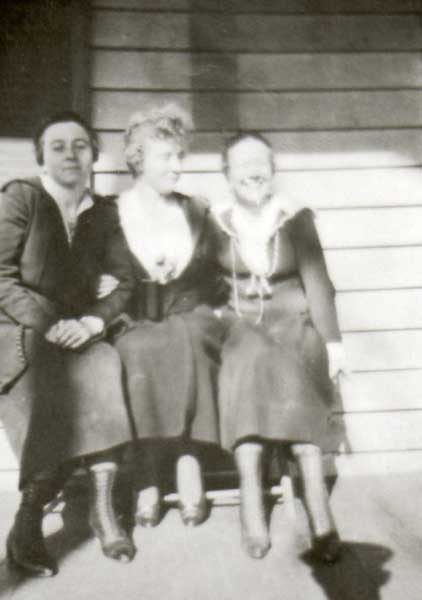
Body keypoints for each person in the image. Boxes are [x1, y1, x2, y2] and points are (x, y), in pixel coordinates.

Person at [0, 111, 136, 577]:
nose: (70, 155)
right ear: (41, 157)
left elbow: (124, 282)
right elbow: (1, 278)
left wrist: (94, 322)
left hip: (77, 332)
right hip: (19, 333)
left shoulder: (103, 213)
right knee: (53, 399)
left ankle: (103, 509)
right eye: (57, 146)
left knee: (104, 363)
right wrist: (51, 323)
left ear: (94, 155)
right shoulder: (22, 198)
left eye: (80, 145)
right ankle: (27, 524)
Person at [213, 132, 347, 562]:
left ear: (272, 170)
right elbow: (199, 281)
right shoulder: (216, 222)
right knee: (248, 355)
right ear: (227, 174)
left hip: (294, 321)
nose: (253, 172)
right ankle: (251, 498)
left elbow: (318, 283)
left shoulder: (295, 219)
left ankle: (317, 504)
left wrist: (333, 341)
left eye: (261, 163)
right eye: (243, 164)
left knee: (299, 351)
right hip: (241, 324)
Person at [109, 104, 225, 528]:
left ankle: (188, 460)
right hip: (133, 317)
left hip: (189, 312)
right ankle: (147, 470)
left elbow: (217, 273)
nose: (177, 166)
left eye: (180, 156)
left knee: (190, 337)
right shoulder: (111, 213)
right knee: (138, 348)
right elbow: (91, 271)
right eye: (166, 157)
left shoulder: (195, 210)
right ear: (139, 159)